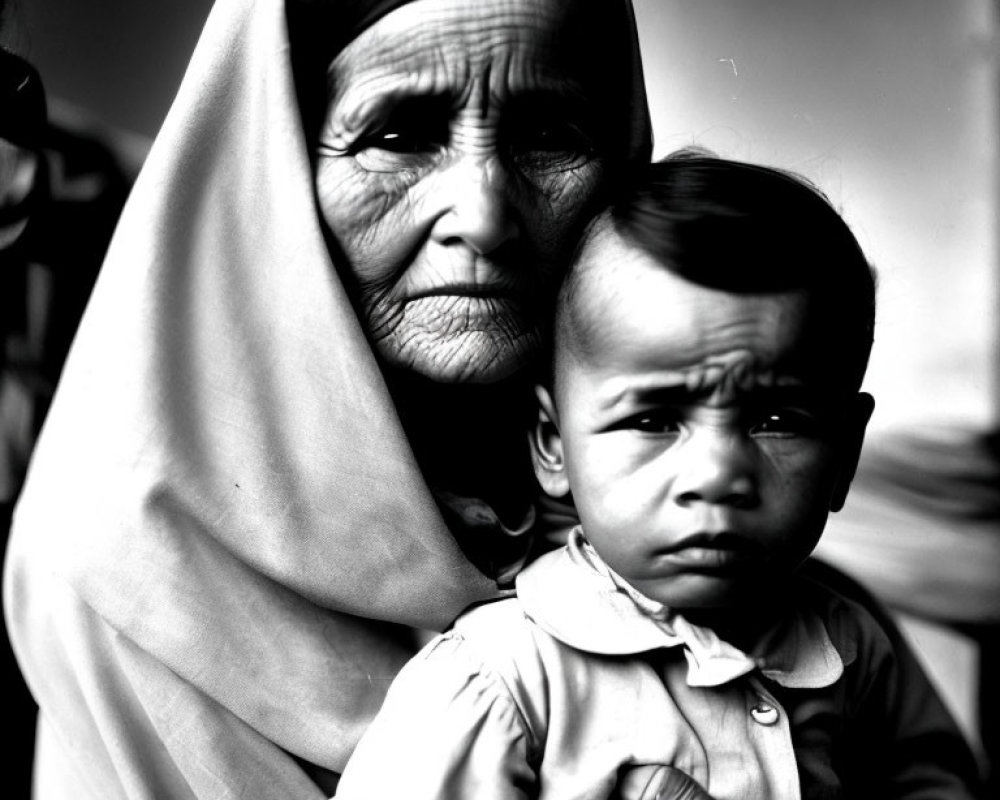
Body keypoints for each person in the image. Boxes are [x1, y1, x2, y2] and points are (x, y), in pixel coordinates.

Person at [0, 1, 977, 798]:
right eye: (397, 135)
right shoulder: (129, 563)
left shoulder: (758, 576)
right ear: (275, 170)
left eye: (551, 133)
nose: (484, 215)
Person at [334, 154, 985, 799]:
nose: (718, 474)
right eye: (653, 420)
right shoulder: (503, 681)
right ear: (554, 444)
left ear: (844, 455)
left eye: (778, 420)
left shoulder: (851, 647)